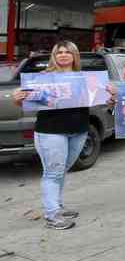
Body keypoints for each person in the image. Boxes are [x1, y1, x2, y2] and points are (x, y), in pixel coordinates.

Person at [12, 41, 116, 230]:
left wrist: (110, 97)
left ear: (74, 55)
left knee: (62, 170)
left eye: (68, 52)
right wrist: (18, 99)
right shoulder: (42, 78)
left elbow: (104, 103)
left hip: (79, 129)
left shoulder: (86, 79)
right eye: (59, 52)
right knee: (53, 172)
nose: (63, 55)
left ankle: (56, 206)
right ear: (54, 56)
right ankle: (52, 215)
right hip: (50, 131)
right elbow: (26, 104)